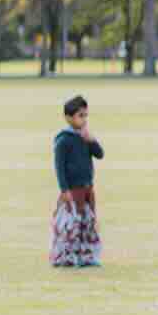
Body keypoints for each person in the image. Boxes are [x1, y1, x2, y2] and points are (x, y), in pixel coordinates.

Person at [50, 95, 104, 268]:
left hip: (87, 188)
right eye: (80, 115)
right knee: (70, 226)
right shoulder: (63, 140)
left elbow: (100, 154)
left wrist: (91, 140)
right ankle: (65, 257)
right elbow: (59, 167)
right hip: (72, 190)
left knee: (87, 224)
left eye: (86, 115)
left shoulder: (85, 137)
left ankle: (87, 256)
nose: (84, 119)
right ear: (69, 117)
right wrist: (64, 189)